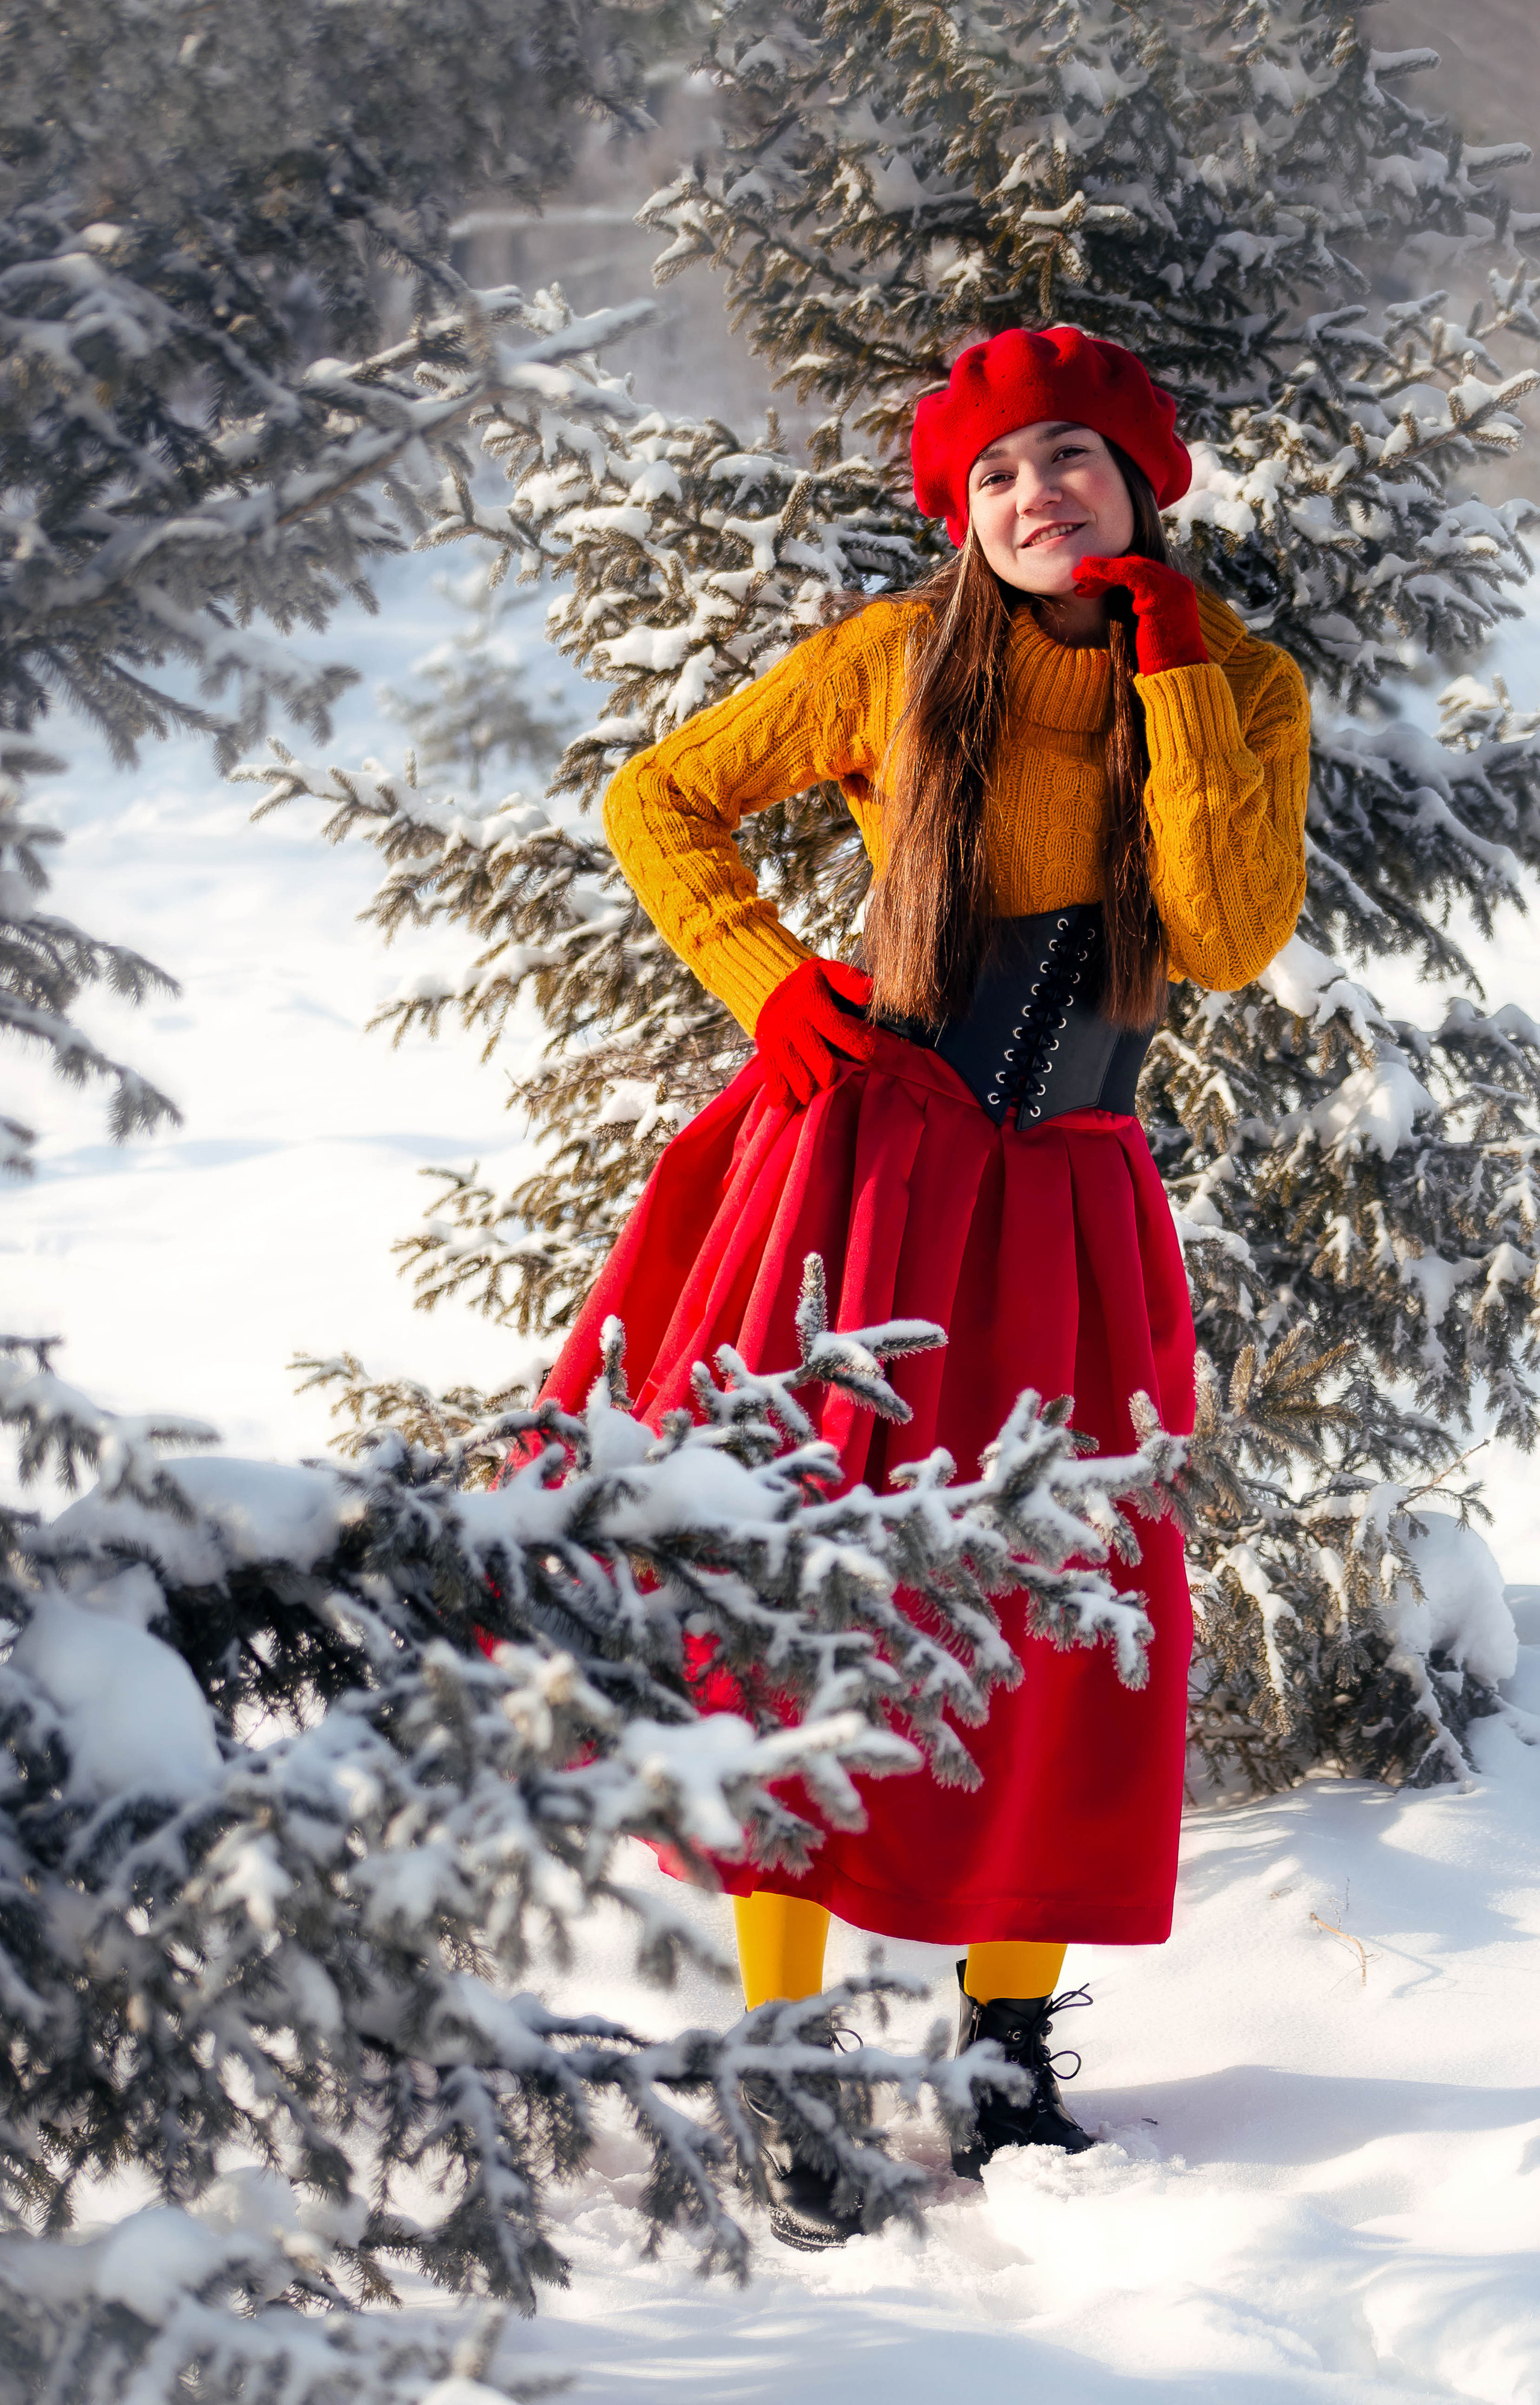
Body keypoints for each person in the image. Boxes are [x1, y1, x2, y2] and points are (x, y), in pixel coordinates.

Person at [535, 326, 1310, 2246]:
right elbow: (659, 801)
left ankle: (1005, 2058)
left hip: (1074, 1199)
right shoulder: (897, 659)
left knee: (1069, 1616)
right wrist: (769, 981)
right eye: (996, 478)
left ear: (1144, 479)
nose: (1035, 496)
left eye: (1071, 460)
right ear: (961, 516)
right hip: (874, 1187)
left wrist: (1172, 675)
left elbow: (1224, 937)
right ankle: (788, 2058)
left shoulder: (1243, 682)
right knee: (817, 1605)